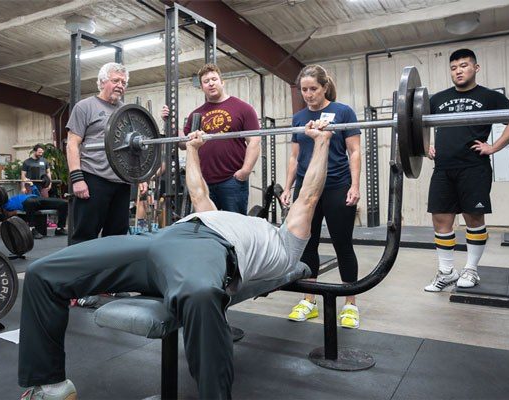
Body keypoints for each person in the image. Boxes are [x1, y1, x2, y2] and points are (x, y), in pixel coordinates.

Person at [18, 120, 332, 400]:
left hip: (205, 250)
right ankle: (50, 386)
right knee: (43, 273)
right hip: (160, 240)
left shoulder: (286, 245)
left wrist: (321, 142)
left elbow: (309, 196)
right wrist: (193, 149)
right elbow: (197, 191)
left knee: (200, 295)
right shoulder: (223, 216)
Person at [424, 48, 509, 292]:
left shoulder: (489, 97)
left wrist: (494, 147)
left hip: (473, 167)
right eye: (454, 67)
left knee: (473, 218)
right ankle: (447, 272)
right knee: (440, 219)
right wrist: (425, 145)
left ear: (475, 68)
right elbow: (416, 123)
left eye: (464, 66)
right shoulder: (437, 99)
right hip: (443, 168)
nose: (458, 71)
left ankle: (471, 269)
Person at [280, 64, 361, 329]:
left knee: (342, 244)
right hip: (306, 189)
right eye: (304, 89)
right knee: (307, 243)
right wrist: (287, 187)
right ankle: (308, 301)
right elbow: (294, 157)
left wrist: (355, 185)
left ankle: (350, 305)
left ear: (325, 87)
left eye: (313, 88)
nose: (308, 94)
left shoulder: (343, 111)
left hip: (337, 185)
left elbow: (355, 152)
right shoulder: (299, 117)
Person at [66, 62, 146, 306]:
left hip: (121, 182)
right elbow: (72, 144)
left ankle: (110, 286)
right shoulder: (85, 107)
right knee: (85, 237)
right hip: (93, 179)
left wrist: (140, 177)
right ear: (102, 82)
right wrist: (77, 178)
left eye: (123, 82)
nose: (120, 85)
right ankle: (77, 289)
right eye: (116, 80)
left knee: (116, 238)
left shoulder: (127, 113)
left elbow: (135, 149)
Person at [162, 63, 261, 214]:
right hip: (204, 182)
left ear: (222, 82)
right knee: (207, 229)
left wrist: (245, 172)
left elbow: (254, 141)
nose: (211, 83)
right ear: (202, 87)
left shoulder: (243, 108)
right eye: (206, 81)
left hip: (232, 180)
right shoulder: (196, 114)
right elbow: (184, 144)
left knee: (234, 228)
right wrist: (171, 124)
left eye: (214, 79)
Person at [1, 185, 67, 239]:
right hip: (29, 202)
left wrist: (33, 186)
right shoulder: (6, 205)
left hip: (37, 199)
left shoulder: (18, 197)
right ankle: (31, 229)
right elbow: (9, 213)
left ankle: (60, 228)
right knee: (31, 202)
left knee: (63, 203)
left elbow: (37, 194)